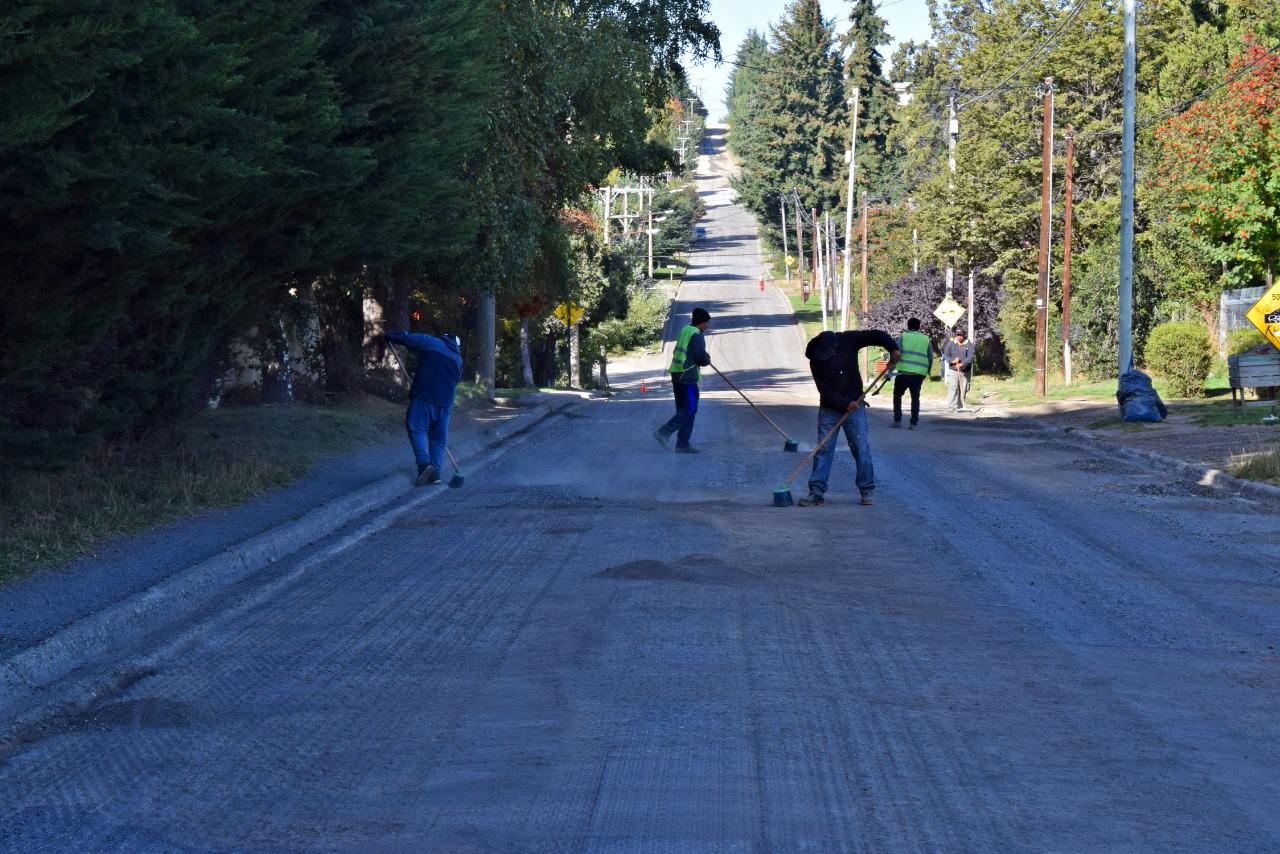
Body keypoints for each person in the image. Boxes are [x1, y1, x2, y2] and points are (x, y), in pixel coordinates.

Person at [800, 329, 900, 507]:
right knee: (824, 449)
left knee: (861, 447)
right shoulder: (816, 357)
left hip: (856, 404)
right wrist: (844, 403)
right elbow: (825, 390)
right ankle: (816, 492)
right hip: (830, 407)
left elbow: (876, 335)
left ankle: (866, 490)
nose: (825, 359)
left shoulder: (848, 339)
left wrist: (892, 348)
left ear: (835, 347)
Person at [380, 329, 463, 485]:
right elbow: (456, 381)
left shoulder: (432, 342)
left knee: (417, 428)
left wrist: (390, 336)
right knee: (438, 440)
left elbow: (410, 339)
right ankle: (435, 475)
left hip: (424, 397)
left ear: (444, 338)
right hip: (445, 405)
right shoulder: (459, 360)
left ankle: (424, 465)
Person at [654, 307, 711, 453]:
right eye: (706, 322)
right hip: (687, 377)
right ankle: (664, 432)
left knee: (683, 409)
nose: (707, 325)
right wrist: (707, 359)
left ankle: (683, 444)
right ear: (700, 322)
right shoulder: (697, 335)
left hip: (677, 374)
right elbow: (700, 357)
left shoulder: (685, 330)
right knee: (690, 409)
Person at [892, 317, 933, 430]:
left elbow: (896, 354)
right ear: (919, 327)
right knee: (915, 398)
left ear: (908, 326)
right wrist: (927, 371)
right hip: (918, 374)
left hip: (903, 373)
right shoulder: (926, 339)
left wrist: (891, 368)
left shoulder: (903, 337)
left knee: (897, 395)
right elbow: (930, 357)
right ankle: (913, 423)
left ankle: (897, 420)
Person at [942, 329, 975, 412]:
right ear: (955, 335)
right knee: (953, 387)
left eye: (961, 335)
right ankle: (951, 407)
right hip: (953, 369)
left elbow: (970, 357)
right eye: (957, 335)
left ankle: (960, 406)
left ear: (964, 335)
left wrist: (962, 364)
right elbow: (946, 355)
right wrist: (953, 361)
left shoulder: (969, 344)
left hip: (965, 371)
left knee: (964, 389)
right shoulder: (951, 344)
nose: (959, 337)